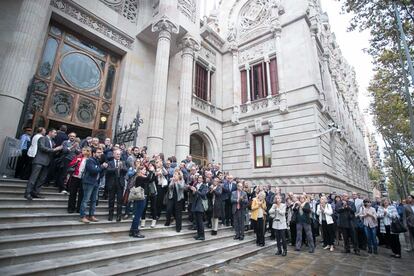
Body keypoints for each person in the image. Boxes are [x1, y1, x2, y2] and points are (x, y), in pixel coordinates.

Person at [25, 128, 62, 200]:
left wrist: (57, 150)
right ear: (50, 132)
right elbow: (42, 148)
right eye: (55, 133)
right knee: (33, 178)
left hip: (47, 163)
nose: (56, 135)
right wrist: (54, 149)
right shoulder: (42, 138)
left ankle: (35, 193)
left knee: (41, 179)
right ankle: (28, 193)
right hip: (39, 161)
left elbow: (52, 152)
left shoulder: (52, 141)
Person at [79, 147, 108, 223]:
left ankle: (91, 215)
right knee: (86, 200)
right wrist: (101, 167)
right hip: (88, 182)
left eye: (101, 152)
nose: (100, 154)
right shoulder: (90, 160)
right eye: (98, 152)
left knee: (94, 200)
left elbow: (99, 172)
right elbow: (93, 171)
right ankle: (82, 216)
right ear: (94, 153)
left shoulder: (97, 161)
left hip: (96, 182)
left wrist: (103, 168)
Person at [130, 166, 153, 238]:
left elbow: (150, 180)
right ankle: (135, 231)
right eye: (144, 169)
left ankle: (132, 230)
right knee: (138, 215)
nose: (145, 170)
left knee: (137, 214)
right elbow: (147, 179)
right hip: (141, 198)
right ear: (140, 171)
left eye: (146, 169)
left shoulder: (141, 177)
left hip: (141, 197)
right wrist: (151, 171)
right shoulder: (139, 177)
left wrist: (153, 173)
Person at [106, 149, 127, 222]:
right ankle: (110, 215)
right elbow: (108, 171)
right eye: (117, 154)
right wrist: (116, 168)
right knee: (111, 200)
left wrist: (122, 168)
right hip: (112, 183)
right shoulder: (110, 162)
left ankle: (119, 216)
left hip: (120, 184)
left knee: (119, 201)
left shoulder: (123, 162)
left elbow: (126, 170)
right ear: (113, 155)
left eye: (119, 154)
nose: (118, 155)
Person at [67, 147, 90, 213]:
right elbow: (71, 164)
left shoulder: (90, 160)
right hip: (75, 176)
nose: (85, 152)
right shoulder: (77, 157)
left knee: (82, 194)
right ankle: (71, 208)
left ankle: (79, 208)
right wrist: (77, 161)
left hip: (84, 178)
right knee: (72, 193)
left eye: (87, 150)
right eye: (84, 150)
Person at [138, 163, 157, 228]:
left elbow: (151, 180)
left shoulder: (154, 174)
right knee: (144, 207)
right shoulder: (145, 174)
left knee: (153, 207)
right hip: (145, 192)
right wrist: (150, 173)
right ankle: (143, 221)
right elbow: (147, 180)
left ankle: (154, 221)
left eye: (151, 166)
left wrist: (152, 172)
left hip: (153, 192)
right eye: (149, 166)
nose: (150, 167)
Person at [190, 175, 208, 240]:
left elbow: (203, 194)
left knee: (200, 221)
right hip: (195, 204)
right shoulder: (196, 185)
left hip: (200, 205)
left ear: (203, 179)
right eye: (198, 178)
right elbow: (194, 195)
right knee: (196, 221)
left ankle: (202, 236)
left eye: (201, 178)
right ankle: (198, 234)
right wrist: (193, 191)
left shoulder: (204, 186)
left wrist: (196, 190)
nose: (199, 179)